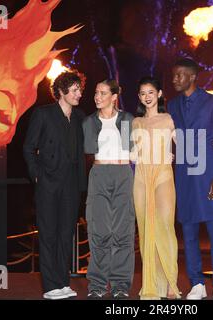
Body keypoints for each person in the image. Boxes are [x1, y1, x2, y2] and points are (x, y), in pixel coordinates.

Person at [167, 58, 213, 300]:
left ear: (193, 77)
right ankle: (196, 283)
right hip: (184, 174)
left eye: (179, 75)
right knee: (189, 230)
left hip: (208, 174)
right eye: (174, 75)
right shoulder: (171, 105)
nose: (175, 79)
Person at [23, 71, 87, 300]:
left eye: (80, 89)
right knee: (48, 233)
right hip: (48, 182)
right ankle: (50, 287)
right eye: (74, 90)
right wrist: (37, 175)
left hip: (71, 183)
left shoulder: (80, 117)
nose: (79, 93)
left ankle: (62, 282)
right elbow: (28, 148)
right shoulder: (43, 114)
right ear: (61, 91)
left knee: (65, 234)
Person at [82, 79, 135, 299]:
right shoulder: (89, 122)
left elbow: (133, 149)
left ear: (114, 97)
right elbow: (87, 150)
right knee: (99, 232)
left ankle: (121, 284)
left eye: (103, 93)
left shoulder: (126, 119)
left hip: (123, 173)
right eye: (96, 93)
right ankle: (97, 285)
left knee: (123, 232)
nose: (97, 97)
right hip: (99, 174)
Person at [131, 76, 181, 300]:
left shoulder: (169, 119)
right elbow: (131, 153)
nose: (147, 97)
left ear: (159, 94)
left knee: (165, 227)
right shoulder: (135, 122)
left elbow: (186, 147)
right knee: (146, 230)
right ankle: (151, 285)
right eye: (142, 93)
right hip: (141, 177)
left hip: (162, 175)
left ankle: (171, 283)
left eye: (151, 92)